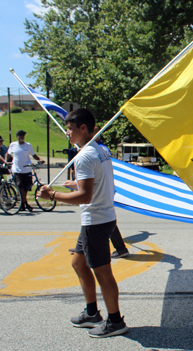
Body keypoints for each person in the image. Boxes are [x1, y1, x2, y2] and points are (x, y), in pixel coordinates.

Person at [37, 108, 128, 337]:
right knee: (78, 264)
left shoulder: (84, 156)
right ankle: (91, 313)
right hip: (102, 218)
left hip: (95, 221)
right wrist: (76, 184)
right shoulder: (99, 150)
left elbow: (85, 197)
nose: (67, 132)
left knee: (103, 273)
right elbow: (94, 186)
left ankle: (115, 321)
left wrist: (53, 196)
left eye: (69, 128)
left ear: (83, 128)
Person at [68, 126, 129, 259]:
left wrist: (53, 195)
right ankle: (83, 247)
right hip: (99, 200)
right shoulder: (95, 149)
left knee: (104, 218)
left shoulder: (96, 150)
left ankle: (120, 248)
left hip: (100, 198)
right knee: (78, 263)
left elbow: (98, 174)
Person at [7, 130, 45, 212]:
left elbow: (33, 155)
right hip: (17, 169)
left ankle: (22, 205)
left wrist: (40, 159)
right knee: (20, 187)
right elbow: (8, 154)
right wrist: (6, 162)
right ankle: (26, 204)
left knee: (26, 188)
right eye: (20, 135)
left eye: (23, 136)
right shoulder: (13, 145)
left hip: (27, 169)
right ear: (17, 137)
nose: (21, 137)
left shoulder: (28, 145)